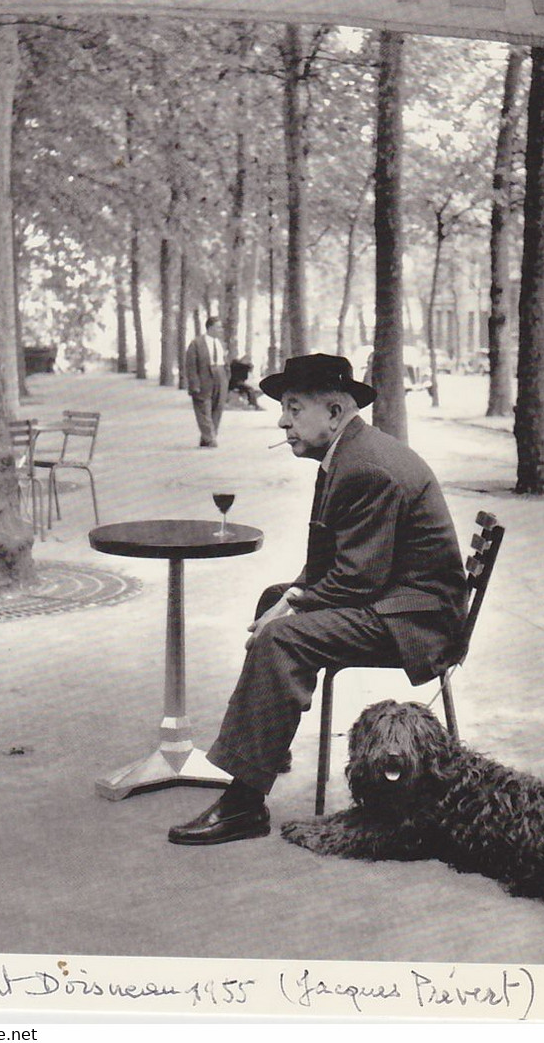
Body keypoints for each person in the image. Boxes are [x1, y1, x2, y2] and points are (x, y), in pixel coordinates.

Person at [168, 353, 468, 846]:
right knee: (274, 599)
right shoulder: (347, 453)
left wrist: (291, 608)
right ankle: (265, 743)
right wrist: (288, 596)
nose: (282, 420)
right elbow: (331, 558)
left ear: (333, 412)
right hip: (397, 600)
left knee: (282, 639)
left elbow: (356, 581)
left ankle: (243, 803)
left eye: (292, 407)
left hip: (415, 622)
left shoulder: (367, 467)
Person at [185, 316, 229, 448]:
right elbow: (190, 365)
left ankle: (208, 436)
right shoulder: (196, 343)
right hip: (204, 378)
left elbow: (226, 362)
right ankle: (210, 437)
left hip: (220, 376)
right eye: (218, 327)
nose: (220, 330)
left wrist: (226, 378)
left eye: (221, 327)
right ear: (210, 328)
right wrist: (194, 384)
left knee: (218, 407)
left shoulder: (221, 344)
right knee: (204, 408)